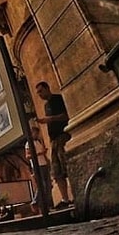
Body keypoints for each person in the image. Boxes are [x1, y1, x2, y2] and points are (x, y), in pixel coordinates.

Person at [35, 81, 74, 210]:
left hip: (62, 136)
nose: (39, 94)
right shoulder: (46, 106)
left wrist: (49, 119)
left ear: (47, 88)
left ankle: (75, 194)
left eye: (41, 91)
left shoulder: (58, 99)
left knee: (66, 166)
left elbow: (65, 115)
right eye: (38, 92)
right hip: (53, 140)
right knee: (56, 171)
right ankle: (65, 199)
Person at [25, 126, 53, 214]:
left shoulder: (39, 141)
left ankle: (47, 205)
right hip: (37, 166)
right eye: (35, 133)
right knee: (42, 185)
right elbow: (28, 156)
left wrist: (46, 159)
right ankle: (36, 202)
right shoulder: (28, 143)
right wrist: (39, 154)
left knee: (48, 185)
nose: (37, 134)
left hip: (44, 164)